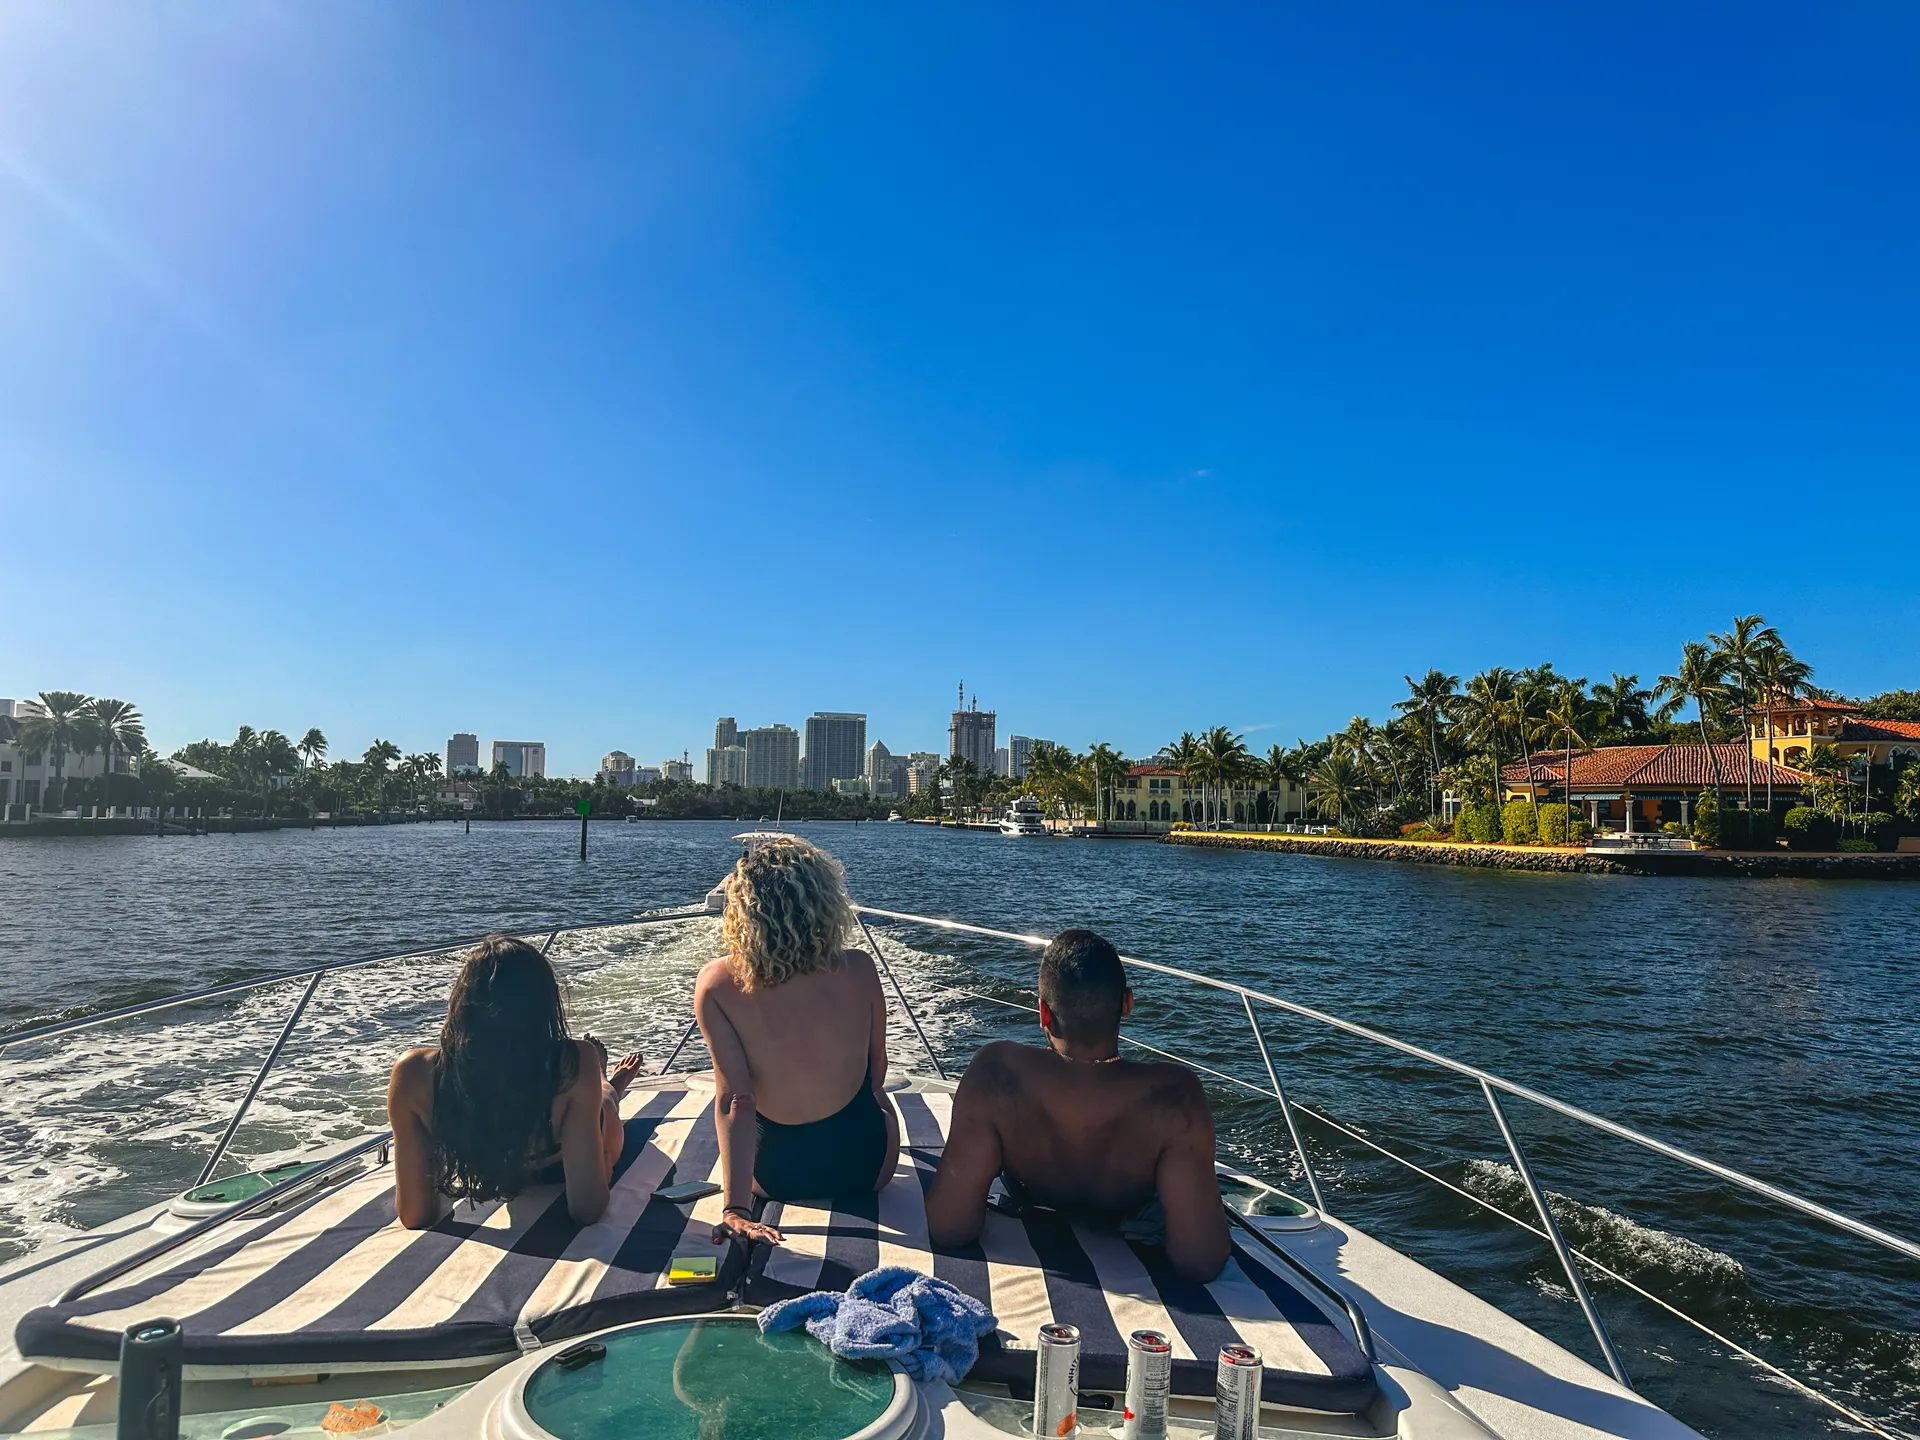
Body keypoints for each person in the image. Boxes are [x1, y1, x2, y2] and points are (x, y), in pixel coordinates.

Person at [926, 928, 1230, 1282]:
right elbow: (1200, 1260)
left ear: (1043, 1012)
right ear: (1127, 1003)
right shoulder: (1176, 1097)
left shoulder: (996, 1074)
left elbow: (949, 1228)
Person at [694, 836, 900, 1246]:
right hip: (867, 1168)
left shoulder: (716, 985)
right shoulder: (859, 969)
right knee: (878, 1099)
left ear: (741, 912)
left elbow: (736, 1101)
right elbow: (876, 1073)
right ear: (825, 902)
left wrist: (736, 1209)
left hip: (774, 1177)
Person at [388, 935, 643, 1230]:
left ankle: (609, 1082)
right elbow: (586, 1209)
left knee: (604, 1101)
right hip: (555, 1163)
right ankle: (603, 1079)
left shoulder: (413, 1073)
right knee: (601, 1102)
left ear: (462, 1004)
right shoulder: (570, 1062)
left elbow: (414, 1215)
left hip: (489, 1163)